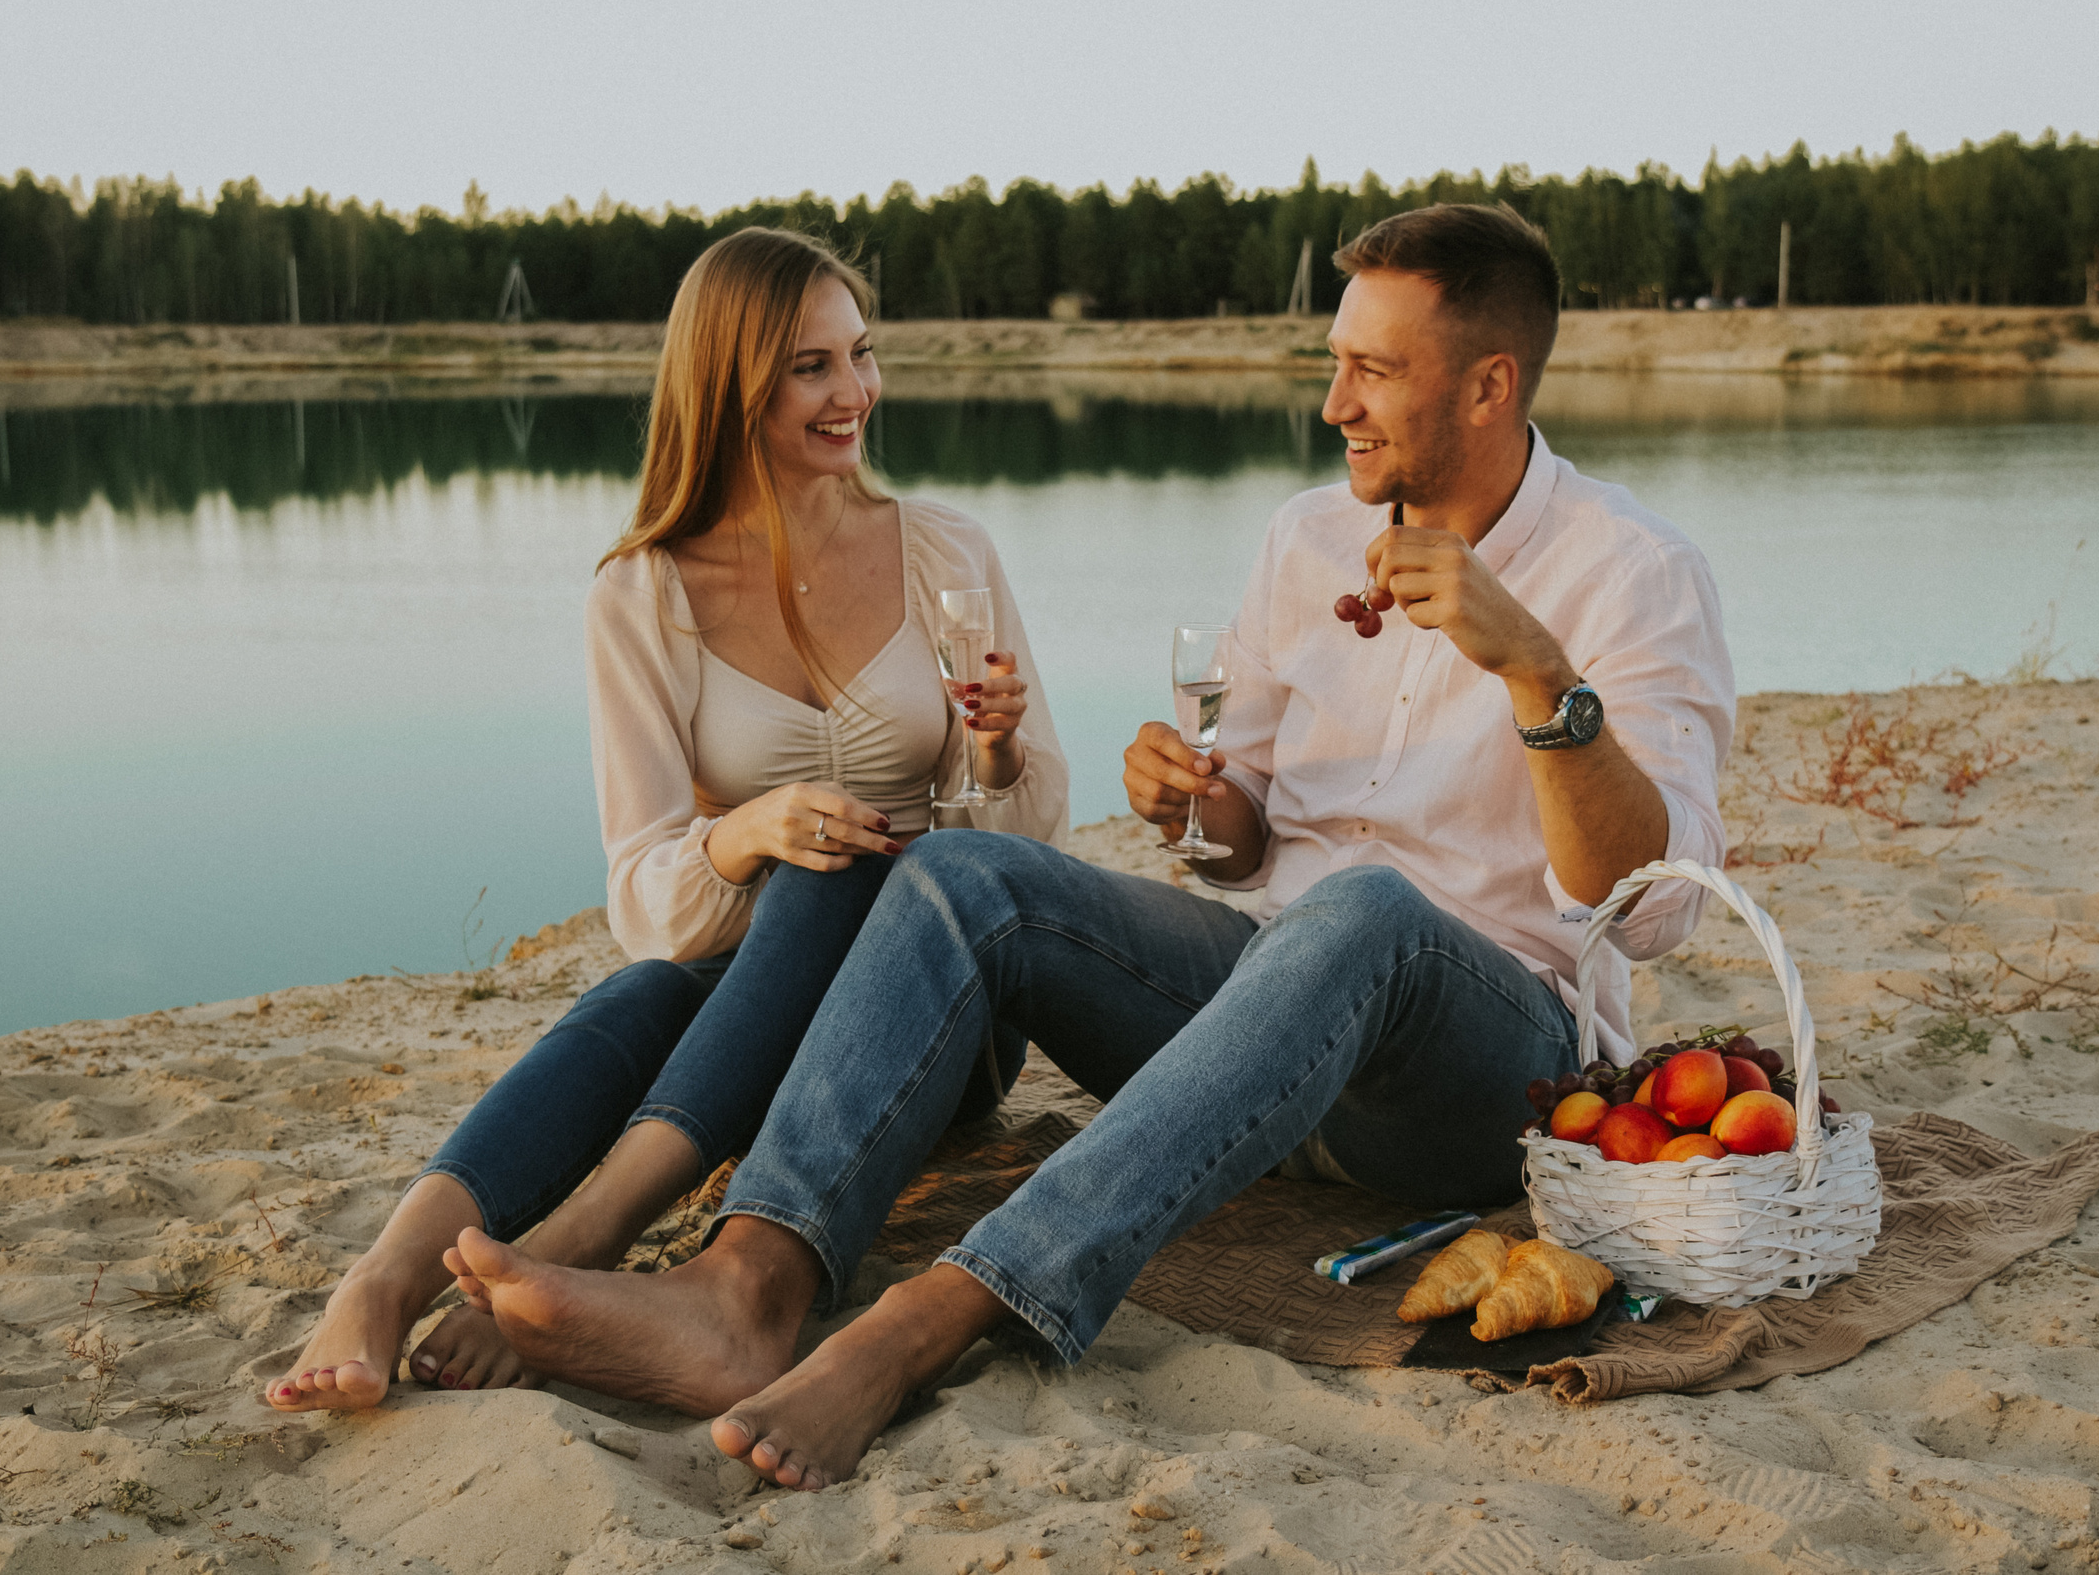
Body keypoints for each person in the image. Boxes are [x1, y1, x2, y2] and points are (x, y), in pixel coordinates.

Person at [443, 203, 1732, 1487]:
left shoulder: (1631, 573)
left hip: (1472, 1073)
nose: (1334, 400)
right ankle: (747, 1284)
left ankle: (929, 1320)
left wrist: (1534, 673)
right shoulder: (1305, 541)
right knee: (959, 876)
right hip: (1251, 1023)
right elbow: (1249, 843)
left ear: (1490, 384)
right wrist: (1200, 811)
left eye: (1374, 371)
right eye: (1333, 362)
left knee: (1373, 913)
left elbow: (1651, 906)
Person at [263, 227, 1067, 1411]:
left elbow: (1035, 841)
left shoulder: (945, 549)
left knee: (845, 865)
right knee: (647, 985)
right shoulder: (640, 594)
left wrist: (993, 742)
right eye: (810, 367)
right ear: (730, 383)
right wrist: (748, 830)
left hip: (937, 1013)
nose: (855, 394)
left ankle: (584, 1237)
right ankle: (385, 1277)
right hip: (739, 1020)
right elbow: (645, 902)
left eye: (861, 354)